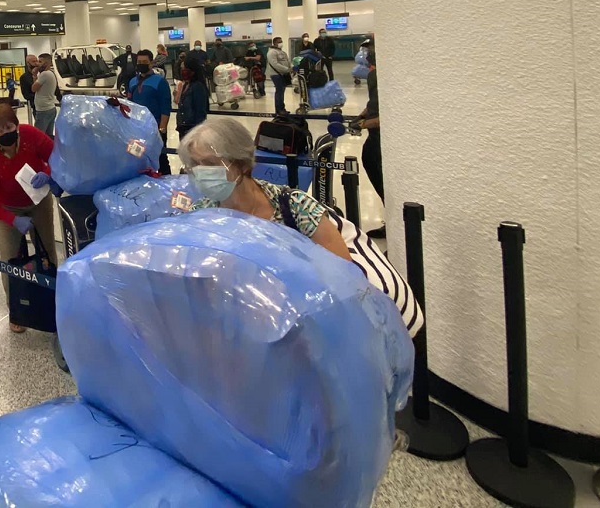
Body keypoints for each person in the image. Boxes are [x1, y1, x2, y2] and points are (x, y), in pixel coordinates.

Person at [179, 117, 421, 335]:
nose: (201, 173)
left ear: (242, 163)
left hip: (304, 328)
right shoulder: (200, 216)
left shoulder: (294, 207)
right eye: (195, 165)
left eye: (210, 163)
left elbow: (342, 275)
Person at [0, 103, 60, 333]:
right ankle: (16, 310)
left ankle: (52, 299)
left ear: (17, 124)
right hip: (9, 208)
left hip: (38, 200)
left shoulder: (30, 135)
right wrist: (12, 220)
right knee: (10, 259)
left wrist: (48, 173)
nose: (5, 134)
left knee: (47, 251)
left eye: (9, 127)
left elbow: (56, 155)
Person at [355, 39, 385, 238]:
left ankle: (397, 227)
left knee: (385, 180)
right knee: (370, 162)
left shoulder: (383, 77)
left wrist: (363, 124)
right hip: (374, 136)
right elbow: (373, 103)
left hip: (381, 138)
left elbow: (388, 114)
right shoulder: (375, 75)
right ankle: (391, 220)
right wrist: (362, 116)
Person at [126, 49, 172, 175]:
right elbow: (129, 104)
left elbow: (165, 107)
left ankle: (167, 181)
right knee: (137, 157)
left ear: (151, 63)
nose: (141, 64)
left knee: (161, 158)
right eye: (139, 62)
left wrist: (162, 129)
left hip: (155, 127)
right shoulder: (132, 82)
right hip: (137, 128)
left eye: (144, 62)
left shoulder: (160, 82)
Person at [175, 53, 210, 140]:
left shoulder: (198, 87)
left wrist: (197, 131)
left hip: (192, 128)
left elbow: (200, 111)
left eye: (185, 69)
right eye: (181, 68)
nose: (182, 71)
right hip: (183, 127)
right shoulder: (185, 85)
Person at [31, 53, 59, 136]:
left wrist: (34, 75)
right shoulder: (51, 73)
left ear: (46, 63)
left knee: (38, 135)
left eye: (40, 62)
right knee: (48, 135)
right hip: (50, 108)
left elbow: (33, 89)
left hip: (43, 110)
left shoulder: (45, 74)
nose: (37, 64)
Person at [266, 37, 292, 111]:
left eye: (281, 41)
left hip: (283, 74)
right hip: (276, 74)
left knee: (282, 91)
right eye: (279, 42)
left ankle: (282, 108)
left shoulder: (282, 52)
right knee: (279, 91)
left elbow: (288, 61)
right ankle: (279, 110)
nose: (281, 43)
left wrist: (291, 68)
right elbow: (275, 64)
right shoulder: (272, 52)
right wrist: (286, 69)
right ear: (274, 43)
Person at [18, 55, 38, 121]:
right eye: (33, 61)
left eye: (37, 61)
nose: (36, 63)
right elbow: (26, 95)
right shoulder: (24, 77)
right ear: (28, 63)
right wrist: (39, 96)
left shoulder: (42, 74)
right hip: (36, 106)